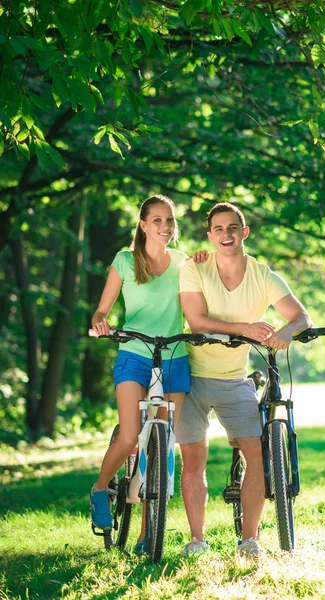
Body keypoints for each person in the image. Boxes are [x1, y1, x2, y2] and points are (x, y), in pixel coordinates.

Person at [176, 202, 313, 558]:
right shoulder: (196, 267)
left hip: (233, 379)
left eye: (232, 228)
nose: (226, 235)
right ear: (210, 236)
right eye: (218, 229)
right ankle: (197, 540)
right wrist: (245, 329)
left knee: (257, 453)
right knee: (194, 458)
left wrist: (284, 331)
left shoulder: (262, 275)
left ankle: (249, 540)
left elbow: (301, 316)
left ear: (244, 231)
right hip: (190, 375)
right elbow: (197, 320)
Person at [90, 194, 206, 553]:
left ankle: (146, 532)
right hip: (134, 356)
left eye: (169, 221)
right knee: (128, 437)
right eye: (156, 220)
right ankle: (99, 490)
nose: (164, 227)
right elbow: (101, 311)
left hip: (173, 358)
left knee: (162, 447)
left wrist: (205, 259)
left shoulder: (185, 263)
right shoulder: (125, 261)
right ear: (143, 225)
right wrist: (101, 322)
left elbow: (207, 285)